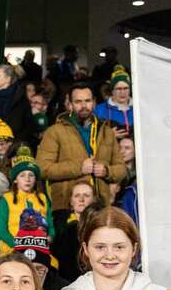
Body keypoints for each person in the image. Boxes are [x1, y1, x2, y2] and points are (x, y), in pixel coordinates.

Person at [48, 206, 171, 290]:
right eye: (100, 247)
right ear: (86, 249)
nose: (110, 256)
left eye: (119, 247)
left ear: (134, 249)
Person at [37, 82, 126, 213]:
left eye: (87, 101)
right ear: (70, 104)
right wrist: (79, 168)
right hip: (65, 208)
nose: (84, 106)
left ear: (94, 102)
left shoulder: (106, 131)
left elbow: (121, 169)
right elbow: (42, 168)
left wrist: (107, 171)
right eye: (78, 101)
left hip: (100, 207)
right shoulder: (54, 131)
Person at [0, 147, 53, 254]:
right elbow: (0, 230)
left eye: (31, 175)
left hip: (40, 250)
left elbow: (50, 226)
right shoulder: (6, 198)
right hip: (12, 251)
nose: (27, 179)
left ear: (35, 179)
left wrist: (50, 238)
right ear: (15, 179)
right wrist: (18, 244)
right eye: (22, 175)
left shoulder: (43, 198)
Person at [93, 67, 134, 138]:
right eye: (118, 89)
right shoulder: (99, 110)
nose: (122, 92)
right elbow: (91, 135)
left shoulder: (137, 108)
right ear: (112, 90)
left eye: (126, 88)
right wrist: (108, 136)